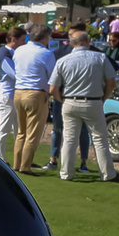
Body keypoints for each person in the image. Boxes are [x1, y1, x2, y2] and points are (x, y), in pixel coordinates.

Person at [49, 30, 119, 182]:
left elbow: (52, 88)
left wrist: (62, 99)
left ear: (72, 44)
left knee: (69, 139)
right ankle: (107, 174)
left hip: (70, 101)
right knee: (100, 139)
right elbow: (111, 82)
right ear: (88, 42)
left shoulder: (63, 60)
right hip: (93, 101)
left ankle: (66, 173)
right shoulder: (100, 58)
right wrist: (103, 98)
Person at [11, 26, 56, 173]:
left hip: (18, 92)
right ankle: (25, 166)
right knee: (32, 133)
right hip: (36, 93)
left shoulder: (19, 50)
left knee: (21, 132)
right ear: (44, 38)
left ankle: (17, 164)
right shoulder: (46, 53)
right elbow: (53, 76)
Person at [48, 22, 90, 170]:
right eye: (70, 35)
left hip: (84, 96)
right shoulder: (60, 52)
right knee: (58, 128)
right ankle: (53, 159)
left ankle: (84, 161)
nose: (71, 38)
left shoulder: (94, 53)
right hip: (63, 95)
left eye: (74, 35)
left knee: (83, 132)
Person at [0, 28, 25, 158]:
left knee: (19, 130)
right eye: (22, 40)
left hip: (12, 96)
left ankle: (20, 159)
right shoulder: (5, 55)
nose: (24, 43)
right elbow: (15, 75)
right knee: (4, 129)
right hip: (6, 96)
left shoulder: (8, 54)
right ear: (13, 40)